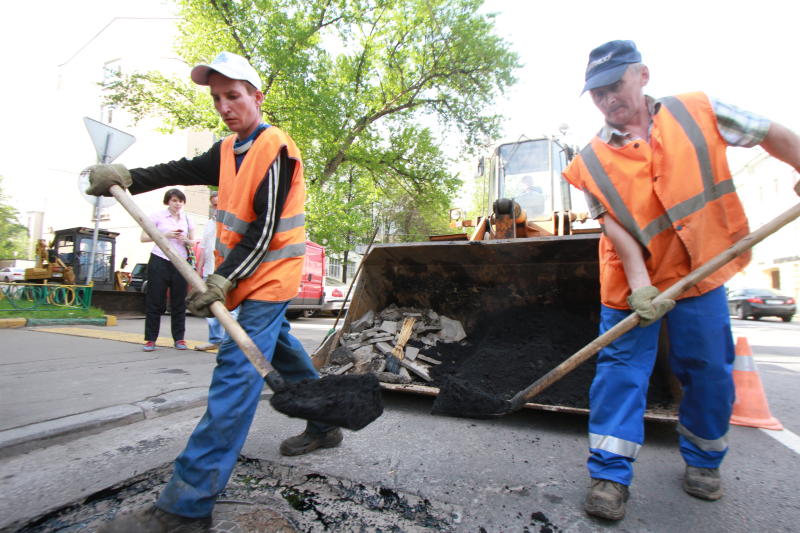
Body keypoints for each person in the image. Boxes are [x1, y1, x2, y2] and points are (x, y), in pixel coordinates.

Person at [86, 51, 343, 532]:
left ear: (256, 97)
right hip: (243, 278)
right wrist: (129, 178)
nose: (225, 106)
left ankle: (185, 508)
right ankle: (326, 423)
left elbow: (264, 230)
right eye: (217, 98)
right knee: (281, 352)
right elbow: (177, 169)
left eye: (234, 95)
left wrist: (223, 279)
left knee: (236, 375)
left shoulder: (275, 148)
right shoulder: (227, 151)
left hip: (268, 277)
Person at [563, 40, 800, 521]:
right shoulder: (588, 162)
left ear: (643, 75)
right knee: (621, 373)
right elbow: (614, 225)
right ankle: (609, 476)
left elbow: (769, 132)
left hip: (701, 271)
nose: (608, 98)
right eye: (597, 93)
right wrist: (638, 282)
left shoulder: (699, 111)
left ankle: (705, 463)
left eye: (615, 85)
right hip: (632, 285)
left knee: (708, 369)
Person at [141, 188, 195, 352]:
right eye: (173, 200)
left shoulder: (187, 219)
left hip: (180, 262)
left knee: (179, 302)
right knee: (155, 301)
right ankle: (150, 339)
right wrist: (165, 235)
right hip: (160, 259)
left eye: (180, 201)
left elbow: (193, 242)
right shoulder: (157, 216)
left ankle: (179, 339)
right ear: (168, 202)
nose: (177, 204)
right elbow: (143, 237)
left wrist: (184, 239)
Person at [194, 190, 238, 352]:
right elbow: (204, 249)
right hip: (210, 271)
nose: (216, 208)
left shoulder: (232, 222)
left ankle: (230, 342)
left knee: (230, 310)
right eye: (214, 205)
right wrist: (198, 271)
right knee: (211, 308)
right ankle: (215, 340)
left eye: (219, 204)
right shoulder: (209, 224)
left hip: (226, 273)